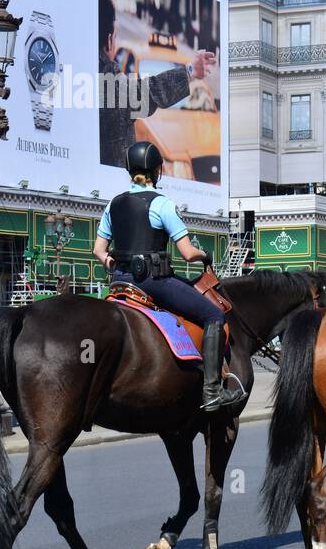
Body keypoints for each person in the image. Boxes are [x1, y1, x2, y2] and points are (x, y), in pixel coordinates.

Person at [93, 140, 245, 411]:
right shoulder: (162, 204)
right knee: (213, 316)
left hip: (118, 282)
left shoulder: (113, 204)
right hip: (152, 282)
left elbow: (98, 250)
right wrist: (205, 255)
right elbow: (187, 253)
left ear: (130, 170)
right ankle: (211, 392)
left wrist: (109, 262)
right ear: (157, 171)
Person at [97, 0, 217, 170]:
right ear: (108, 40)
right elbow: (149, 91)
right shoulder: (108, 85)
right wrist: (190, 70)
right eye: (115, 35)